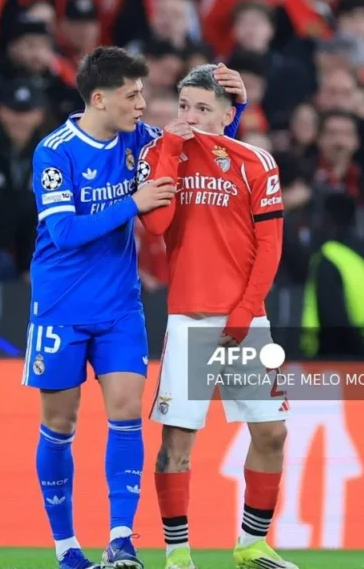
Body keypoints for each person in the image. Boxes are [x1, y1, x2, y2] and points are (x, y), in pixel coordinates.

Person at [24, 46, 247, 569]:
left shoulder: (141, 140)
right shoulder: (55, 151)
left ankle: (121, 539)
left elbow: (208, 158)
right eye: (132, 95)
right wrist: (133, 203)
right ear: (100, 99)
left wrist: (235, 109)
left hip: (120, 306)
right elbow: (64, 231)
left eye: (143, 93)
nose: (143, 104)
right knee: (60, 423)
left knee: (126, 414)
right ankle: (66, 547)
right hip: (59, 306)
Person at [137, 64, 292, 569]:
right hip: (190, 321)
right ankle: (177, 554)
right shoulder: (159, 154)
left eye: (203, 108)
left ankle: (251, 545)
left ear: (228, 115)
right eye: (184, 106)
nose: (190, 116)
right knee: (177, 441)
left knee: (271, 433)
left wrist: (246, 309)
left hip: (246, 323)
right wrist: (171, 151)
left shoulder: (256, 162)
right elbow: (157, 225)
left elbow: (270, 245)